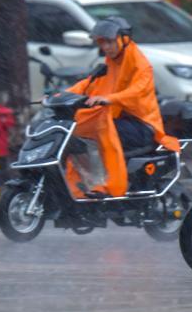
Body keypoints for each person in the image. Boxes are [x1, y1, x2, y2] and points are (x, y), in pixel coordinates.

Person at [65, 17, 180, 198]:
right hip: (119, 119)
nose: (106, 47)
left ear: (124, 39)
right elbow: (88, 83)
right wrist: (60, 96)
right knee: (74, 132)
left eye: (110, 42)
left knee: (100, 130)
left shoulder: (140, 65)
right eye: (102, 43)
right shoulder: (111, 63)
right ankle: (85, 183)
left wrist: (109, 98)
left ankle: (107, 185)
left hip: (143, 126)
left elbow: (137, 91)